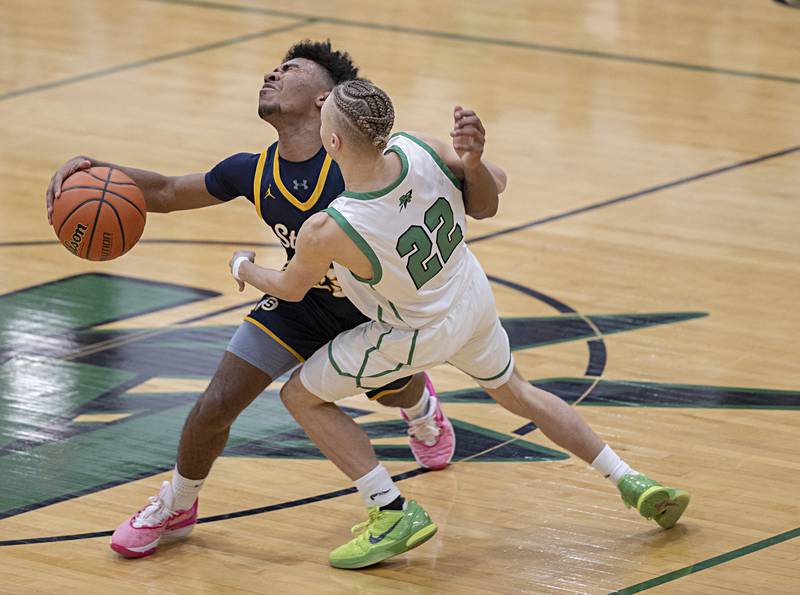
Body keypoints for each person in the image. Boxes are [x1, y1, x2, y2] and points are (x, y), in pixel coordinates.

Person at [45, 40, 505, 559]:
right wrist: (95, 172)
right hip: (299, 302)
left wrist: (473, 164)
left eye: (291, 69)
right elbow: (170, 191)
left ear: (325, 100)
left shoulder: (372, 162)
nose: (273, 72)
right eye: (274, 67)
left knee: (393, 391)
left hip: (373, 310)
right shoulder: (253, 171)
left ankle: (420, 407)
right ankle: (177, 503)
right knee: (215, 403)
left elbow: (475, 200)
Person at [230, 79, 691, 570]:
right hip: (470, 297)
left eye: (324, 117)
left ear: (333, 142)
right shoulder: (417, 147)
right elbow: (496, 186)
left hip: (413, 331)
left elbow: (289, 288)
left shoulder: (331, 227)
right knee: (518, 392)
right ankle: (630, 480)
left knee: (300, 395)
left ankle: (389, 510)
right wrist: (471, 162)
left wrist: (242, 267)